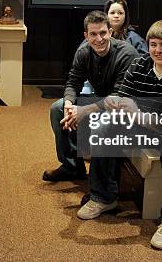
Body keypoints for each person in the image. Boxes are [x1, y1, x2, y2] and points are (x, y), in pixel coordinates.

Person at [76, 19, 162, 250]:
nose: (157, 50)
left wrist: (138, 116)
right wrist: (111, 104)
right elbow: (123, 95)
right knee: (104, 127)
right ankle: (103, 196)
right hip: (150, 124)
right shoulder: (140, 65)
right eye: (153, 44)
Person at [42, 10, 139, 182]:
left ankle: (100, 185)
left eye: (103, 33)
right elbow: (73, 81)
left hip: (126, 108)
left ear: (110, 32)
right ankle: (71, 167)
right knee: (58, 108)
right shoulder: (84, 51)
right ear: (86, 36)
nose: (99, 39)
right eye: (93, 34)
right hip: (101, 101)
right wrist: (69, 105)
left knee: (104, 120)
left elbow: (119, 96)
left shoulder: (127, 54)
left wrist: (85, 110)